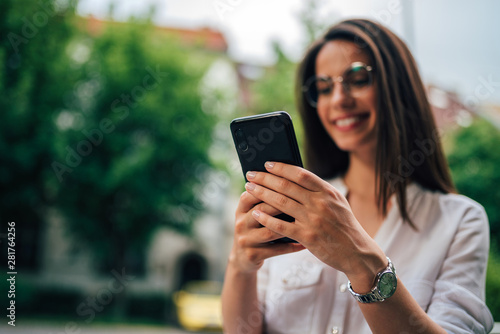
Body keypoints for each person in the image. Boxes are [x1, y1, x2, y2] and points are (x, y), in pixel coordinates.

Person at [221, 18, 494, 333]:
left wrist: (362, 264)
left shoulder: (461, 222)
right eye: (323, 88)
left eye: (358, 78)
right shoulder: (293, 210)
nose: (338, 99)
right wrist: (240, 265)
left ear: (399, 87)